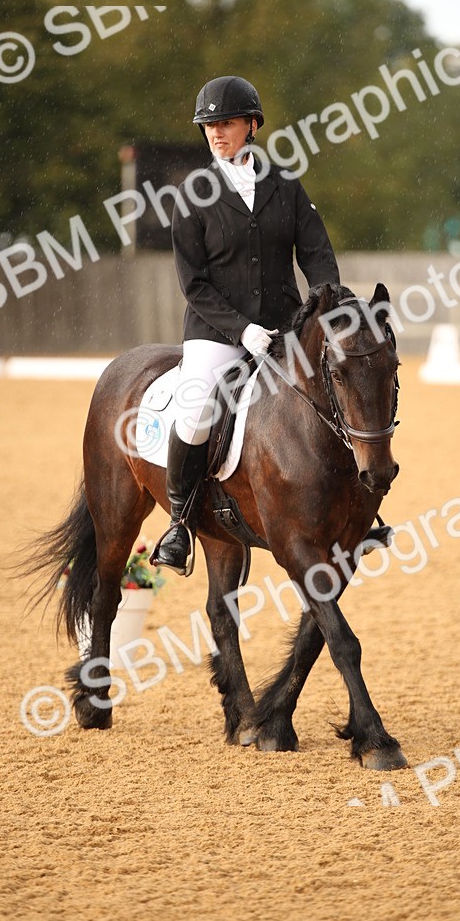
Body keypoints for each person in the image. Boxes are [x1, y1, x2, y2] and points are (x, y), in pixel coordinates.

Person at [151, 74, 341, 574]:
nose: (217, 133)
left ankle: (361, 510)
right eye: (209, 125)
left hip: (285, 326)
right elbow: (193, 284)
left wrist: (325, 307)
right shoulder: (192, 195)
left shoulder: (285, 185)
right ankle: (178, 523)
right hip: (217, 332)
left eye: (227, 123)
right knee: (194, 411)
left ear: (252, 125)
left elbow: (317, 253)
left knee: (337, 389)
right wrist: (241, 330)